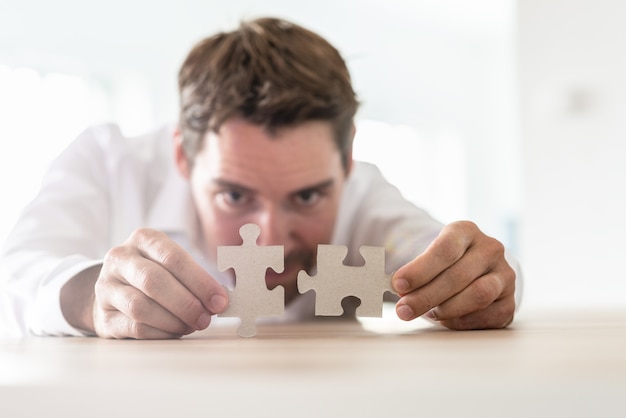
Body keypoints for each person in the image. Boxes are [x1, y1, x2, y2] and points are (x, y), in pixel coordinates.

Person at [0, 17, 520, 339]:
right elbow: (16, 279)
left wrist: (472, 277)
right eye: (234, 195)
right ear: (182, 156)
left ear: (347, 162)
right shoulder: (107, 164)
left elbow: (433, 251)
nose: (270, 236)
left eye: (309, 195)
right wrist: (90, 296)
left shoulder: (365, 196)